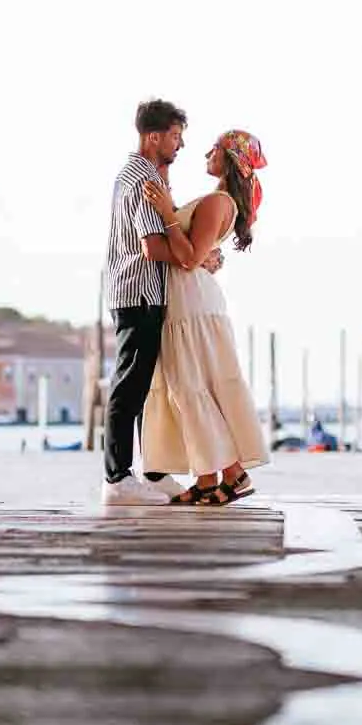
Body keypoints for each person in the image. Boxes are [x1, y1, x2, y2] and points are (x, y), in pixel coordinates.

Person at [99, 99, 224, 506]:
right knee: (130, 385)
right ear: (153, 136)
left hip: (143, 293)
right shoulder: (142, 180)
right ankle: (116, 478)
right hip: (138, 293)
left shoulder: (147, 175)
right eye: (175, 136)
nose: (181, 145)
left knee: (147, 387)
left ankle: (151, 472)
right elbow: (153, 247)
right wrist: (197, 257)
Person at [139, 129, 270, 506]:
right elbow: (197, 252)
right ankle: (208, 477)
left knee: (189, 388)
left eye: (214, 149)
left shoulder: (217, 201)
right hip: (189, 299)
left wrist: (165, 213)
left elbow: (191, 257)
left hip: (191, 303)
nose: (206, 154)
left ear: (229, 157)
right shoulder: (217, 201)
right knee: (192, 388)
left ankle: (232, 472)